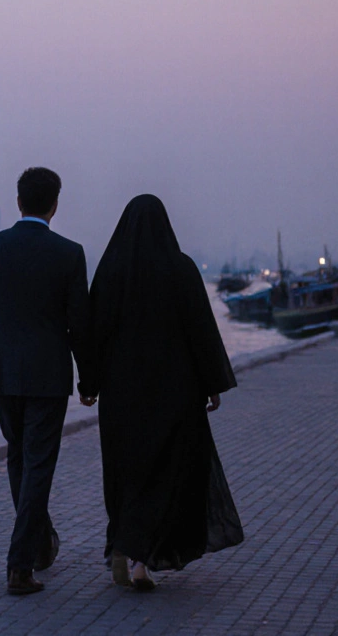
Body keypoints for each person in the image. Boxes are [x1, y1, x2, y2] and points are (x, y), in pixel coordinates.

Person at [79, 194, 243, 591]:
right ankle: (141, 561)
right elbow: (202, 330)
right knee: (169, 474)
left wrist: (89, 384)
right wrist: (213, 384)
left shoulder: (111, 269)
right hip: (175, 392)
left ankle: (124, 543)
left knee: (127, 472)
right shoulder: (180, 268)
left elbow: (92, 333)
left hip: (122, 395)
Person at [0, 167, 90, 596]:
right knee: (37, 463)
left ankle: (41, 545)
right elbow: (80, 324)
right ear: (55, 205)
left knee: (19, 457)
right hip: (49, 376)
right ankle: (20, 565)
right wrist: (89, 378)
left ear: (19, 202)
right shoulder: (69, 254)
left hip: (3, 374)